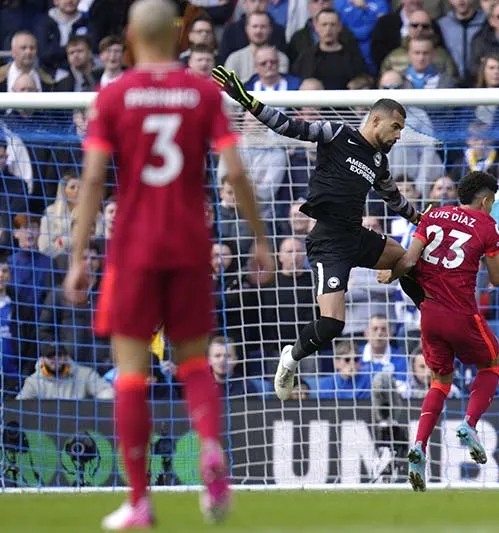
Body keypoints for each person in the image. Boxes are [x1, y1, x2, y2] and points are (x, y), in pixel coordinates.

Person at [63, 0, 271, 529]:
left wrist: (78, 255)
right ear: (179, 36)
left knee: (132, 374)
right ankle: (210, 448)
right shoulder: (202, 92)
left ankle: (140, 501)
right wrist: (260, 238)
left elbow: (93, 179)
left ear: (131, 36)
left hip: (133, 246)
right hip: (189, 243)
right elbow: (235, 170)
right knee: (194, 363)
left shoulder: (113, 95)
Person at [212, 65, 422, 401]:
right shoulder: (336, 134)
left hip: (356, 235)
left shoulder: (379, 162)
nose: (398, 136)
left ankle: (429, 317)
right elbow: (288, 126)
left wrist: (420, 218)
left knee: (408, 260)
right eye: (395, 127)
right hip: (328, 243)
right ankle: (291, 358)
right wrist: (248, 100)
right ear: (376, 120)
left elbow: (394, 198)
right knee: (332, 323)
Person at [377, 170, 499, 492]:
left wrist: (390, 275)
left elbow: (408, 261)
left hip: (428, 315)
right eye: (492, 202)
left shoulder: (432, 215)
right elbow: (497, 279)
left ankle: (419, 446)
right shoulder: (487, 225)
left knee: (441, 381)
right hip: (461, 314)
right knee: (492, 364)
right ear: (486, 200)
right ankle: (470, 424)